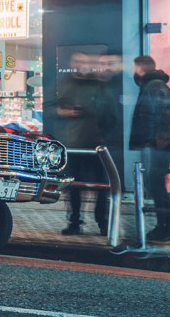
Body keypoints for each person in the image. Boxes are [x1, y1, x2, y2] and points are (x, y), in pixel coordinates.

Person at [55, 52, 115, 235]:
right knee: (73, 186)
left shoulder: (99, 86)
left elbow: (111, 116)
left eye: (83, 61)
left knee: (101, 186)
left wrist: (104, 137)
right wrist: (65, 112)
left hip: (96, 145)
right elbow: (54, 108)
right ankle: (74, 222)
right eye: (76, 61)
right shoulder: (66, 85)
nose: (80, 65)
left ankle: (103, 223)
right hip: (74, 144)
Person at [130, 55, 170, 244]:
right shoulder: (152, 85)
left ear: (140, 69)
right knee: (155, 186)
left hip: (157, 146)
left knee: (156, 187)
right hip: (156, 144)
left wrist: (153, 140)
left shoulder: (154, 86)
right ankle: (163, 226)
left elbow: (159, 116)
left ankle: (168, 228)